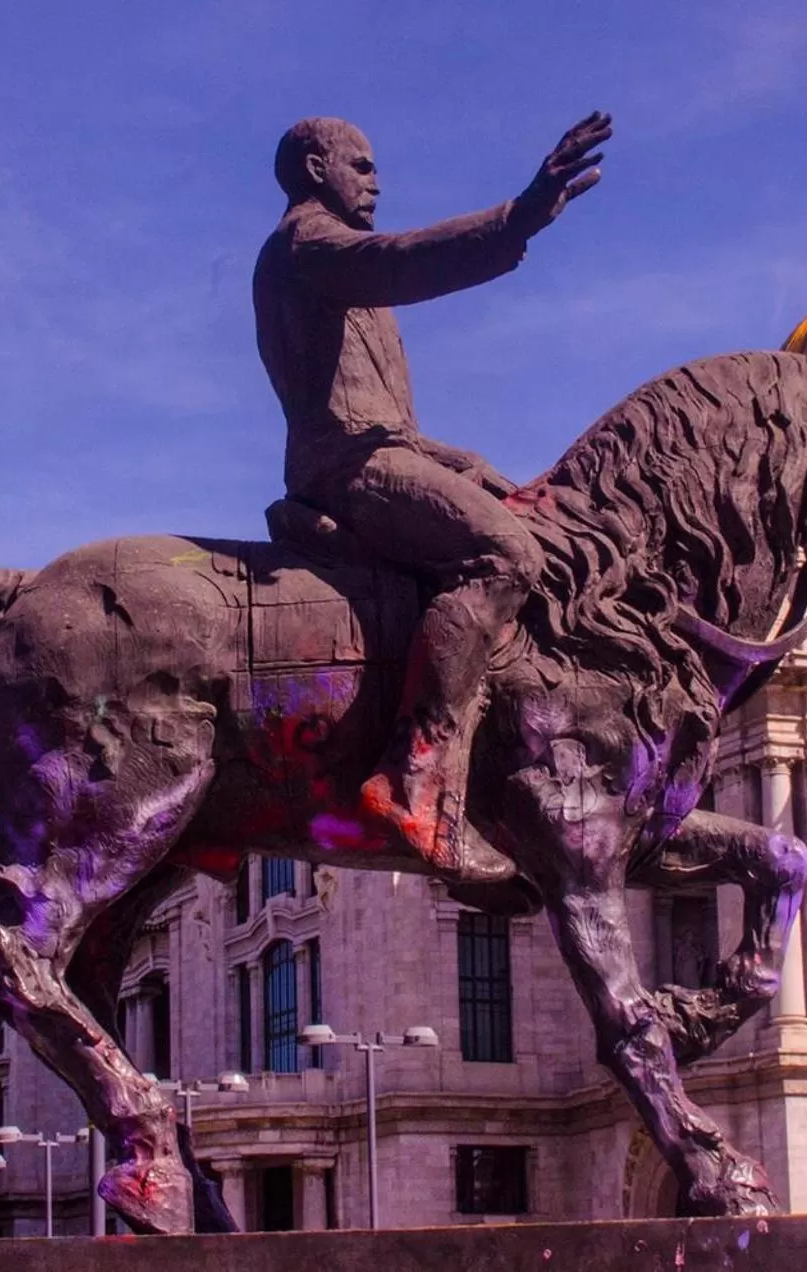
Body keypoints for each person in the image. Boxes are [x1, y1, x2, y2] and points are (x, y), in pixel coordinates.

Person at [251, 111, 612, 882]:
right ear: (316, 168)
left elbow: (387, 422)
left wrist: (469, 463)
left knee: (527, 517)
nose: (376, 180)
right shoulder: (307, 245)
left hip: (379, 454)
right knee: (504, 552)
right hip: (342, 469)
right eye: (362, 164)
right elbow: (400, 261)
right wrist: (514, 219)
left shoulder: (334, 263)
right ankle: (414, 774)